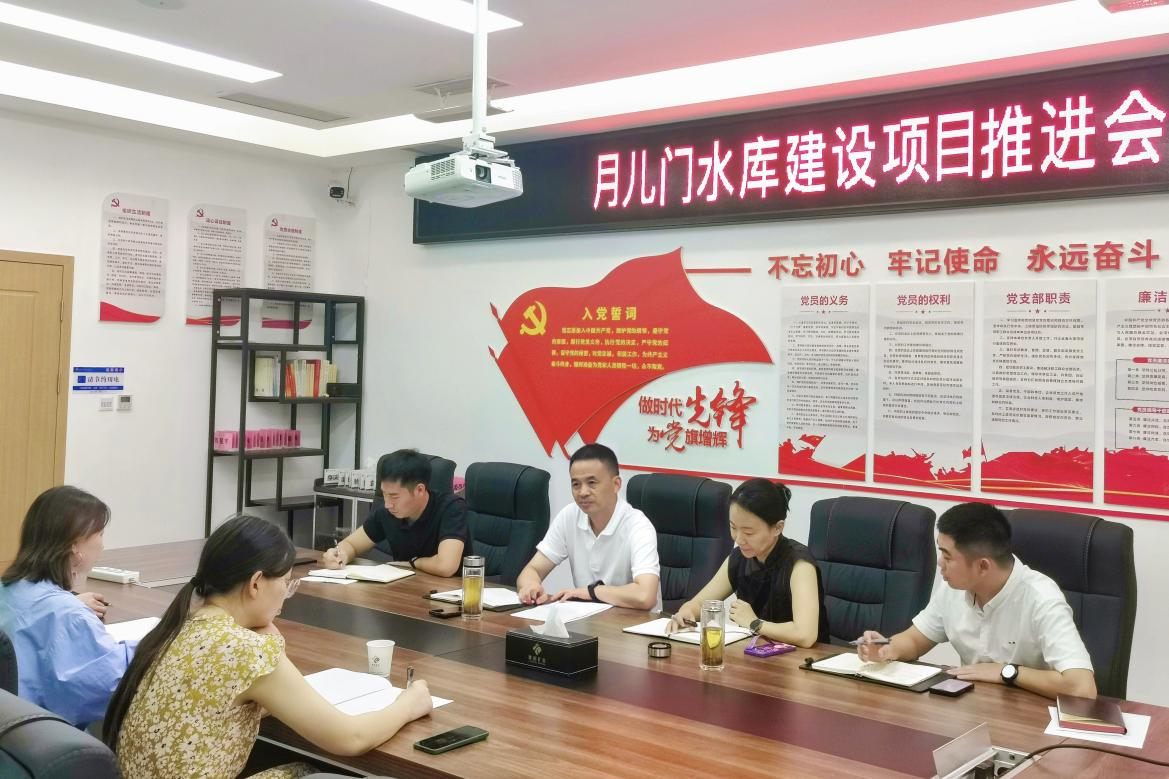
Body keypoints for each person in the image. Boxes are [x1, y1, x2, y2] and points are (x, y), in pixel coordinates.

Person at [104, 514, 433, 779]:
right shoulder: (245, 650)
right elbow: (351, 738)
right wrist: (409, 704)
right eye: (286, 583)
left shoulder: (176, 629)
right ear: (256, 583)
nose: (286, 596)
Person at [856, 502, 1096, 699]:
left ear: (982, 566)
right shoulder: (954, 588)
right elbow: (916, 639)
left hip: (1031, 720)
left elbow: (1082, 689)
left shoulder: (1041, 599)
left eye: (948, 557)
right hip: (974, 708)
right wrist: (887, 648)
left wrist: (1007, 672)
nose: (939, 563)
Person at [0, 485, 134, 727]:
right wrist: (153, 643)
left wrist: (69, 603)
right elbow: (110, 683)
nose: (102, 545)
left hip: (11, 728)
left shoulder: (8, 589)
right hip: (39, 735)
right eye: (100, 534)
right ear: (75, 545)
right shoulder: (68, 615)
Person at [667, 479, 827, 647]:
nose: (739, 539)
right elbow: (700, 603)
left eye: (749, 532)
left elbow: (805, 635)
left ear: (777, 528)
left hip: (804, 659)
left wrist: (754, 623)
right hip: (757, 652)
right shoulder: (739, 557)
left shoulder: (799, 564)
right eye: (733, 528)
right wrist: (686, 612)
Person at [516, 443, 660, 610]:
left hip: (633, 622)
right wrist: (531, 586)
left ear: (616, 484)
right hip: (586, 619)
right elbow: (532, 569)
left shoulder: (638, 526)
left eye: (592, 483)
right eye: (576, 484)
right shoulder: (569, 516)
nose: (583, 492)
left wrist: (592, 592)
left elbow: (645, 596)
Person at [322, 449, 467, 577]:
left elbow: (446, 566)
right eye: (384, 494)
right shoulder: (388, 512)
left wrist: (414, 563)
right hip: (403, 589)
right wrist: (339, 554)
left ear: (419, 490)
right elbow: (352, 544)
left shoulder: (451, 508)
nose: (387, 503)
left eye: (394, 496)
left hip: (449, 593)